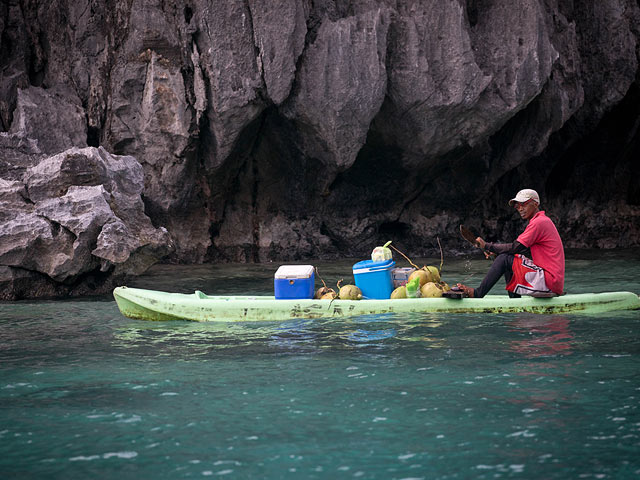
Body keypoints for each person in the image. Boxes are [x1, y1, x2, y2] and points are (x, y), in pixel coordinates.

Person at [457, 189, 565, 298]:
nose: (520, 209)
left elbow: (515, 247)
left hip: (549, 282)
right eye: (517, 206)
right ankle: (515, 301)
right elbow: (518, 250)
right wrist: (496, 254)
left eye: (524, 204)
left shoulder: (539, 222)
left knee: (504, 258)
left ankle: (477, 294)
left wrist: (487, 246)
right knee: (507, 258)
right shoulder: (541, 221)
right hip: (551, 281)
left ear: (536, 204)